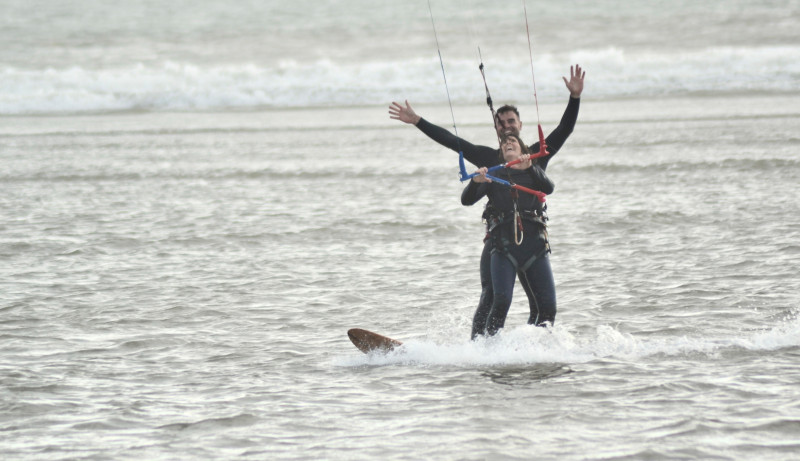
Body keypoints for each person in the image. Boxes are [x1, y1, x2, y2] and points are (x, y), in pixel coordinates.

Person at [389, 65, 585, 338]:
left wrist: (574, 97)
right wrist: (418, 120)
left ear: (520, 124)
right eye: (501, 123)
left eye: (511, 122)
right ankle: (478, 347)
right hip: (498, 240)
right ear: (495, 127)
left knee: (544, 308)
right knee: (493, 298)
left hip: (533, 237)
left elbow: (565, 128)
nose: (506, 127)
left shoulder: (537, 156)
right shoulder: (487, 158)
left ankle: (531, 346)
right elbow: (451, 140)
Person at [461, 133, 555, 335]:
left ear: (523, 150)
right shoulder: (494, 177)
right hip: (503, 247)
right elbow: (466, 200)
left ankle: (537, 349)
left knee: (548, 308)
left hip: (535, 246)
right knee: (501, 300)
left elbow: (549, 188)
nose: (508, 143)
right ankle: (488, 350)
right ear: (501, 154)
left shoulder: (534, 171)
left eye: (513, 141)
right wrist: (476, 182)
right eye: (504, 143)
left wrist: (529, 167)